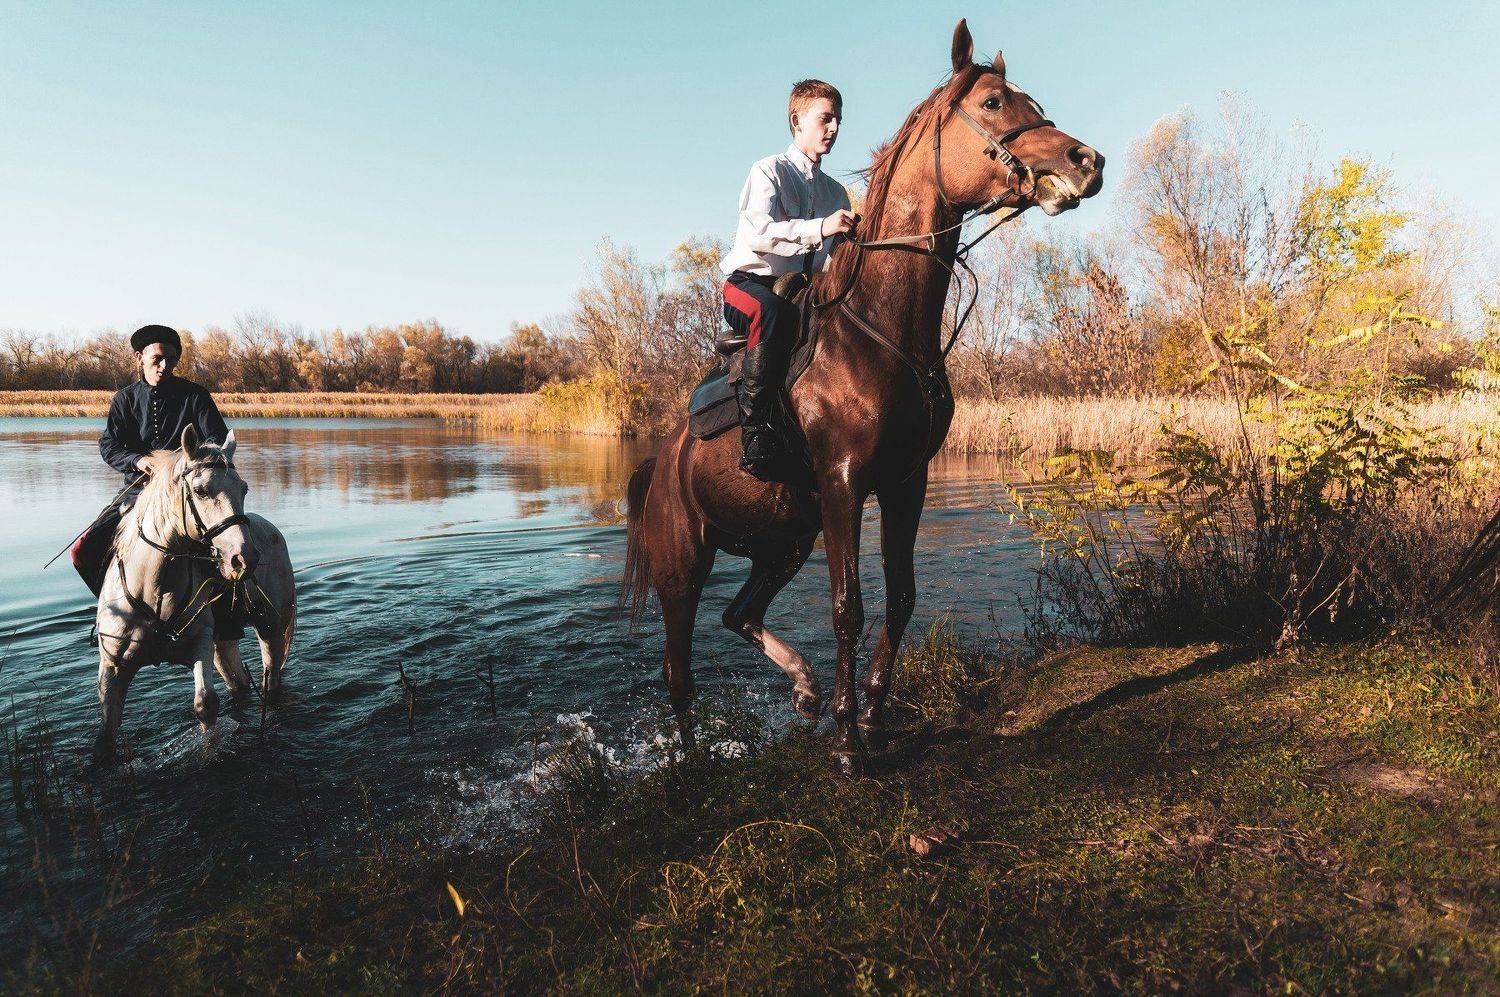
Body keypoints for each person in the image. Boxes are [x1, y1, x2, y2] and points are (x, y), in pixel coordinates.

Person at [720, 79, 858, 481]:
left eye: (838, 120)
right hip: (750, 285)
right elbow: (760, 233)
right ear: (797, 120)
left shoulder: (837, 193)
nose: (833, 129)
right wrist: (820, 227)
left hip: (804, 293)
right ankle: (755, 435)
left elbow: (835, 263)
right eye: (825, 119)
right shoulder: (768, 171)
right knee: (772, 313)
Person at [72, 325, 240, 638]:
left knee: (229, 550)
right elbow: (110, 446)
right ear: (140, 357)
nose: (165, 366)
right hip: (136, 493)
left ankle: (226, 629)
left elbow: (216, 440)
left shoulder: (195, 395)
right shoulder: (124, 400)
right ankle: (111, 614)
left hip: (187, 496)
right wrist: (137, 460)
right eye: (158, 359)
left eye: (172, 360)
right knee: (82, 551)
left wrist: (185, 461)